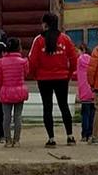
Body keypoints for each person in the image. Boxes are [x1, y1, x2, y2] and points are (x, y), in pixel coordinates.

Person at [27, 12, 79, 147]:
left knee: (47, 107)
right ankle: (70, 137)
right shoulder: (65, 39)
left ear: (45, 24)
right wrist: (69, 73)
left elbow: (32, 61)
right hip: (62, 78)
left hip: (43, 79)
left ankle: (51, 139)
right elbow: (74, 58)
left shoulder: (38, 40)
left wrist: (34, 75)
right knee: (64, 106)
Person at [0, 36, 30, 147]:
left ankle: (8, 140)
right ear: (19, 48)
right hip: (19, 92)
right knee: (18, 117)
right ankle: (17, 140)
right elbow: (26, 74)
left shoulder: (0, 62)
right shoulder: (23, 61)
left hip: (5, 92)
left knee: (6, 117)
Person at [75, 42, 95, 143]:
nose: (77, 53)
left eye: (78, 51)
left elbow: (77, 73)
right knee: (92, 115)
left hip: (84, 91)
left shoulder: (79, 60)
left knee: (85, 115)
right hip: (93, 90)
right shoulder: (93, 60)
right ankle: (90, 134)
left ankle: (84, 134)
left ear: (82, 50)